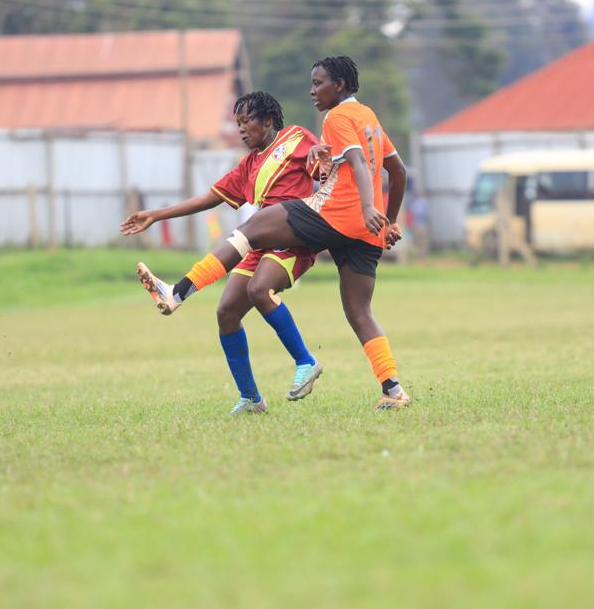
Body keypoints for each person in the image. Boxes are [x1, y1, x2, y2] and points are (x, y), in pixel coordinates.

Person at [135, 55, 411, 411]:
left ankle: (178, 292)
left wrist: (366, 203)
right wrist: (385, 220)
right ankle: (391, 390)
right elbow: (397, 170)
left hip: (329, 216)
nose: (312, 91)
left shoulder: (328, 121)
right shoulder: (367, 117)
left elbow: (351, 162)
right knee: (352, 311)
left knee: (252, 237)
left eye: (318, 83)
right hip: (362, 228)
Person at [121, 91, 323, 415]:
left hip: (293, 240)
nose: (241, 129)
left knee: (259, 289)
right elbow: (210, 198)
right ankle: (251, 399)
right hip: (260, 242)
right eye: (237, 123)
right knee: (227, 312)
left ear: (268, 121)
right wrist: (156, 214)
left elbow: (324, 165)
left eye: (246, 121)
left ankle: (306, 361)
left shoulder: (295, 138)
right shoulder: (249, 165)